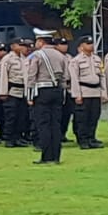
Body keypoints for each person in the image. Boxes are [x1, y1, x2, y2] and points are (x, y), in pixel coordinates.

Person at [26, 32, 68, 165]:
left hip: (42, 91)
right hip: (57, 91)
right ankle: (56, 156)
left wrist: (29, 95)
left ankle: (46, 156)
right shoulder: (61, 55)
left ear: (41, 42)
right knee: (55, 124)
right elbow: (65, 76)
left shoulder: (38, 55)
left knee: (43, 124)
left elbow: (32, 76)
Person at [67, 37, 105, 150]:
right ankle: (82, 140)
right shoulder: (76, 61)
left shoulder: (97, 59)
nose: (91, 46)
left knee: (94, 117)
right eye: (88, 44)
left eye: (92, 43)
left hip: (95, 92)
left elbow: (102, 76)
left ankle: (91, 138)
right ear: (81, 46)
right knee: (82, 118)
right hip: (84, 92)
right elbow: (74, 79)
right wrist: (77, 94)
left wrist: (104, 92)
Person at [0, 40, 30, 147]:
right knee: (11, 116)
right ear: (12, 46)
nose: (21, 47)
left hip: (22, 91)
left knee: (21, 116)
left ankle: (18, 137)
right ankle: (9, 139)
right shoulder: (7, 59)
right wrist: (3, 92)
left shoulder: (24, 58)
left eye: (22, 45)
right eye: (18, 45)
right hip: (11, 91)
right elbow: (3, 76)